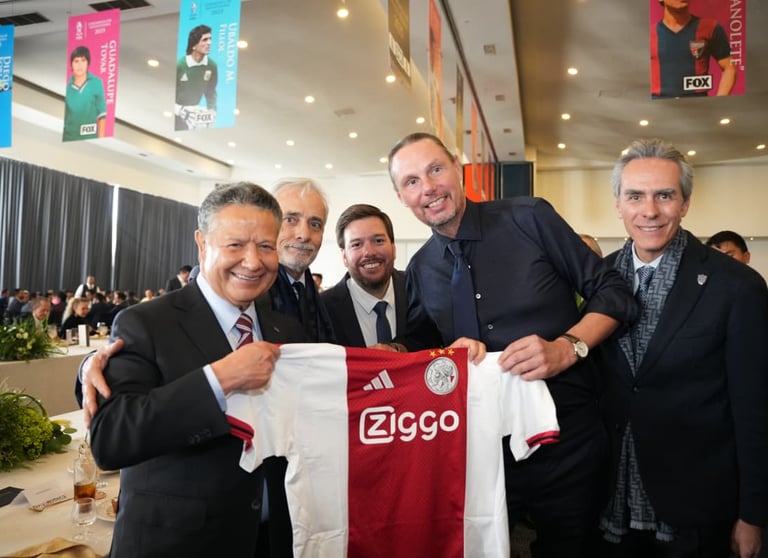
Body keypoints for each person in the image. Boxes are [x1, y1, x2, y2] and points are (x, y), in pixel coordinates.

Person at [387, 132, 637, 557]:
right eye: (411, 181)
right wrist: (411, 354)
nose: (427, 187)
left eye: (435, 169)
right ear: (401, 197)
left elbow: (612, 292)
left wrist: (567, 347)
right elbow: (421, 344)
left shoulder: (530, 218)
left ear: (457, 168)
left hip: (567, 441)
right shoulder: (421, 268)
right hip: (481, 452)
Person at [88, 182, 306, 557]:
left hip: (271, 541)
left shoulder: (287, 330)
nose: (253, 261)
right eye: (235, 245)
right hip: (179, 544)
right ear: (202, 244)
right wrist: (220, 379)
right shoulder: (145, 322)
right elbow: (111, 439)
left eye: (266, 246)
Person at [598, 138, 768, 558]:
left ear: (685, 203)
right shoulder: (598, 278)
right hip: (609, 499)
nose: (649, 211)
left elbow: (754, 407)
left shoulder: (737, 286)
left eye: (664, 195)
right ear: (618, 204)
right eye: (635, 196)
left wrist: (753, 514)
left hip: (698, 506)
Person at [320, 204, 408, 348]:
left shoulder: (420, 290)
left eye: (378, 241)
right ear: (344, 257)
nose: (369, 252)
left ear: (393, 248)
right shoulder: (322, 310)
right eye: (356, 244)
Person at [268, 177, 335, 342]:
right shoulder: (249, 295)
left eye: (315, 224)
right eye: (290, 220)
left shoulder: (321, 300)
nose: (304, 235)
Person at [651, 0, 736, 98]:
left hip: (698, 104)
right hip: (659, 104)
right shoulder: (650, 34)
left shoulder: (710, 28)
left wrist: (719, 101)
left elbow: (729, 68)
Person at [175, 24, 217, 131]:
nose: (209, 43)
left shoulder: (212, 66)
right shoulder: (179, 65)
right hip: (176, 112)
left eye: (210, 39)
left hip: (194, 113)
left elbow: (211, 92)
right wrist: (178, 110)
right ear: (194, 44)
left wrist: (212, 111)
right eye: (205, 40)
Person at [62, 46, 106, 141]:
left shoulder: (97, 83)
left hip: (90, 139)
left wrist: (101, 141)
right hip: (69, 138)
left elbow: (102, 116)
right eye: (76, 61)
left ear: (88, 63)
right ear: (71, 64)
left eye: (83, 60)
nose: (80, 65)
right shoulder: (67, 88)